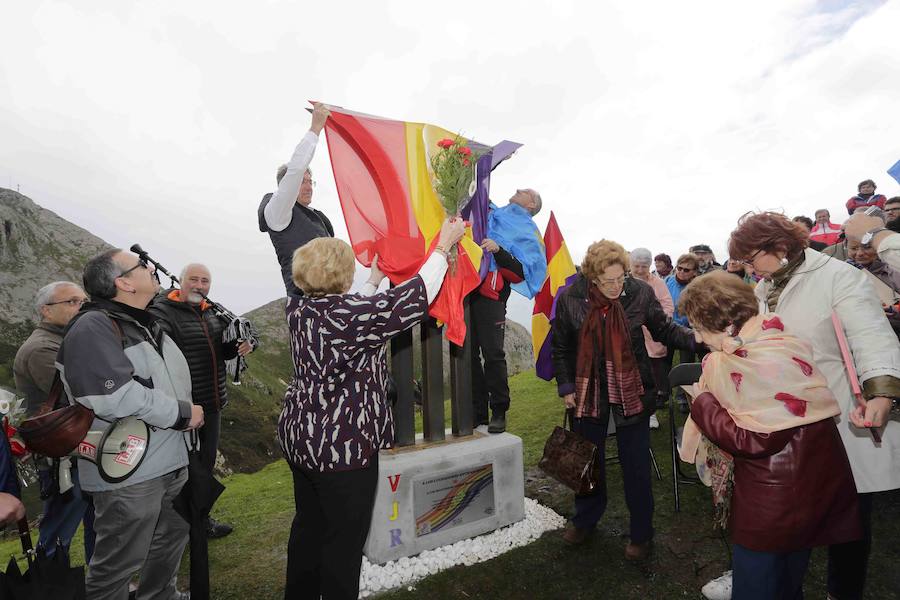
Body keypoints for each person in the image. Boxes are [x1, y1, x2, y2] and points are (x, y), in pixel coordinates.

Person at [279, 218, 466, 600]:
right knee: (342, 544)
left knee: (309, 528)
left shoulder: (300, 310)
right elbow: (413, 298)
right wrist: (443, 247)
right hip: (342, 447)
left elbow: (354, 311)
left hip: (303, 440)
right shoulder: (347, 318)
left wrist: (375, 277)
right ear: (339, 275)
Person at [727, 212, 900, 600]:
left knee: (851, 519)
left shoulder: (838, 276)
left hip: (841, 414)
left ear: (780, 246)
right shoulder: (761, 290)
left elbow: (872, 336)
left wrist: (882, 394)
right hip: (787, 421)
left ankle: (843, 592)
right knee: (794, 514)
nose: (750, 269)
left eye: (752, 258)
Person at [677, 271, 861, 600]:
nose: (698, 338)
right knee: (788, 581)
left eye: (699, 327)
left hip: (772, 503)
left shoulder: (738, 362)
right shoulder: (781, 341)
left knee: (758, 586)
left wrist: (702, 403)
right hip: (810, 489)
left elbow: (755, 439)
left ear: (725, 324)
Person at [58, 249, 204, 600]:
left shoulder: (145, 321)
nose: (152, 268)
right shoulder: (92, 326)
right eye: (142, 266)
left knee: (170, 543)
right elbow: (111, 396)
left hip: (170, 461)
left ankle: (159, 596)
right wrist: (182, 413)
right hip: (129, 472)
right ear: (123, 282)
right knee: (118, 563)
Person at [551, 240, 695, 558]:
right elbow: (560, 347)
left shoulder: (639, 292)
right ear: (592, 278)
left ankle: (641, 533)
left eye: (621, 278)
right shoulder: (571, 298)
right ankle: (585, 519)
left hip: (632, 387)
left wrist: (699, 339)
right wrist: (566, 386)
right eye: (608, 281)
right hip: (589, 391)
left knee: (637, 465)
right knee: (588, 460)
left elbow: (664, 330)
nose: (617, 287)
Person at [149, 263, 257, 538]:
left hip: (213, 405)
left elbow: (231, 342)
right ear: (180, 281)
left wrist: (243, 345)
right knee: (180, 471)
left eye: (205, 281)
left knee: (204, 468)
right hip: (181, 408)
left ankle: (200, 523)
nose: (199, 286)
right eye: (193, 280)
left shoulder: (213, 310)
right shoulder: (162, 311)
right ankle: (174, 530)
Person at [13, 281, 95, 560]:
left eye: (84, 301)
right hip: (61, 452)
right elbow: (79, 393)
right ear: (46, 311)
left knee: (93, 516)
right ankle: (49, 582)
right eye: (72, 302)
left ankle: (102, 582)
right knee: (60, 527)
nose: (81, 307)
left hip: (76, 446)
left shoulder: (64, 340)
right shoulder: (41, 348)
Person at [473, 188, 546, 433]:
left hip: (491, 296)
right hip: (466, 289)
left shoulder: (527, 230)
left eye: (524, 191)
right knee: (467, 355)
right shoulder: (494, 212)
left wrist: (498, 250)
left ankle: (499, 411)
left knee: (493, 354)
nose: (517, 190)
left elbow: (522, 271)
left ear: (532, 203)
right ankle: (477, 413)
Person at [258, 103, 335, 296]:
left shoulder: (320, 219)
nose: (309, 187)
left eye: (311, 182)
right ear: (287, 185)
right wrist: (316, 128)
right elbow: (296, 168)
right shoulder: (277, 213)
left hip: (333, 300)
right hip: (305, 306)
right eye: (302, 182)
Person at [630, 248, 674, 417]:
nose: (640, 270)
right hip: (631, 337)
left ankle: (651, 412)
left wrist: (659, 321)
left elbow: (668, 306)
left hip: (652, 336)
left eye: (644, 266)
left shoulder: (657, 282)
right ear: (630, 265)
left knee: (652, 375)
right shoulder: (623, 282)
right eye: (637, 266)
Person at [665, 253, 701, 413]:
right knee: (664, 362)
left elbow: (698, 309)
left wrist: (685, 323)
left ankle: (682, 396)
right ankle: (663, 394)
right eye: (679, 268)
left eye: (686, 270)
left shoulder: (697, 287)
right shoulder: (667, 281)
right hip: (666, 327)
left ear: (694, 272)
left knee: (685, 363)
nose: (682, 272)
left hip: (687, 329)